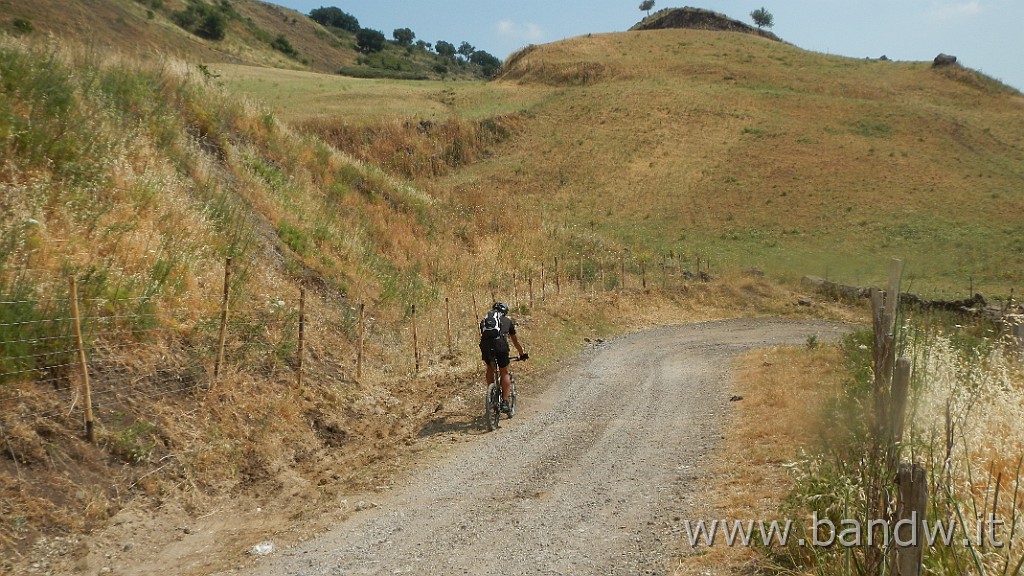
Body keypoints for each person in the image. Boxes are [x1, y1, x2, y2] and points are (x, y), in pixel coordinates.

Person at [479, 302, 527, 414]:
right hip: (500, 345)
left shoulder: (485, 320)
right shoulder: (507, 321)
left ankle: (491, 394)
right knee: (504, 371)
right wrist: (521, 354)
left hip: (485, 346)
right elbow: (515, 341)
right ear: (504, 312)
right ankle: (505, 402)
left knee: (490, 367)